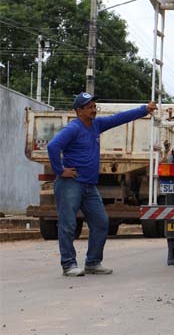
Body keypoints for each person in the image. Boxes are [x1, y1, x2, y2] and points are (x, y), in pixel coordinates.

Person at [47, 93, 157, 276]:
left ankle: (93, 262)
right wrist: (60, 171)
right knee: (67, 224)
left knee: (101, 222)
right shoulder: (73, 128)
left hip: (89, 186)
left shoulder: (96, 125)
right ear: (79, 110)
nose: (93, 110)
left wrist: (144, 109)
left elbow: (119, 118)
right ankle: (68, 265)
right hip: (70, 184)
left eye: (94, 106)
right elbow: (53, 146)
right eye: (88, 107)